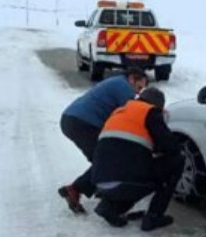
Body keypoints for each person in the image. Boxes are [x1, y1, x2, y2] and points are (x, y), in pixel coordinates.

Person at [57, 67, 148, 214]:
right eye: (138, 87)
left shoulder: (116, 82)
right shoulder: (124, 87)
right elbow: (134, 112)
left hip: (72, 119)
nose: (138, 92)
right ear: (132, 78)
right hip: (83, 122)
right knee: (106, 161)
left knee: (102, 159)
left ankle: (99, 187)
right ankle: (75, 189)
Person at [91, 86, 184, 230]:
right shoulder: (150, 112)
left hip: (101, 182)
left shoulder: (118, 112)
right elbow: (171, 147)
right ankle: (153, 217)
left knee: (128, 169)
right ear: (158, 105)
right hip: (126, 183)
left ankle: (108, 207)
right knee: (177, 160)